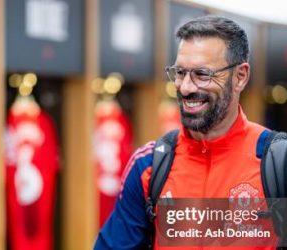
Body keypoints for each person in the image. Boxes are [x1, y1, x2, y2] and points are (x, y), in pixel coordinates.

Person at [94, 15, 279, 250]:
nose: (186, 87)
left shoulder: (276, 163)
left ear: (240, 77)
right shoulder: (150, 166)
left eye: (202, 74)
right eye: (180, 73)